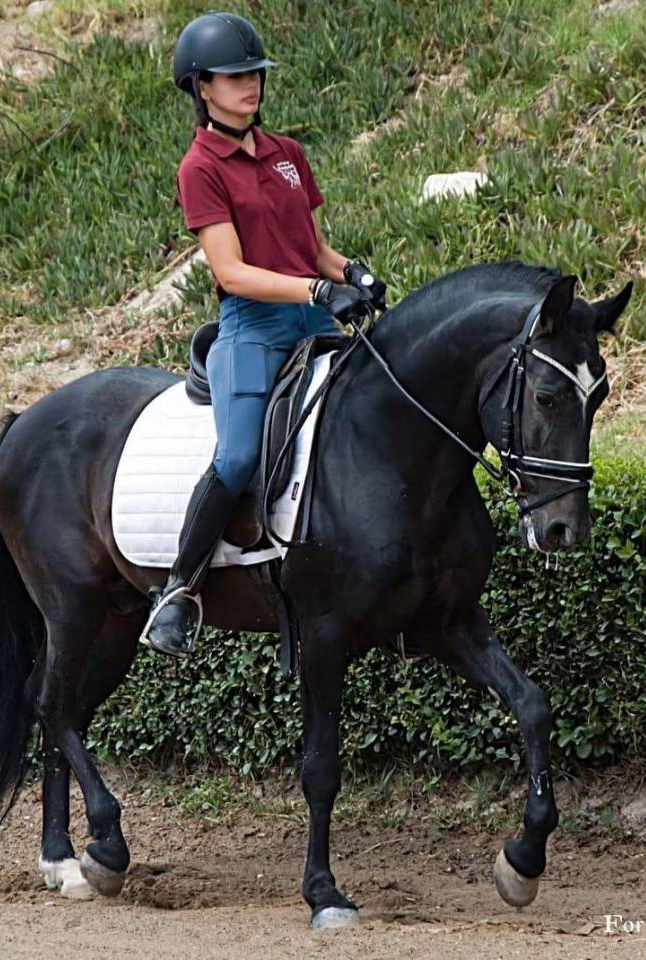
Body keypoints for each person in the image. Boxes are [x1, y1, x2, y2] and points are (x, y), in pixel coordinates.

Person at [141, 12, 387, 659]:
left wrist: (352, 273)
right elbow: (230, 271)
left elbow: (315, 250)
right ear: (202, 87)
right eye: (234, 76)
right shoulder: (200, 167)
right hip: (253, 329)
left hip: (314, 321)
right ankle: (178, 591)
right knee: (238, 457)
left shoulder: (287, 154)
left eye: (254, 74)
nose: (250, 84)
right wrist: (314, 290)